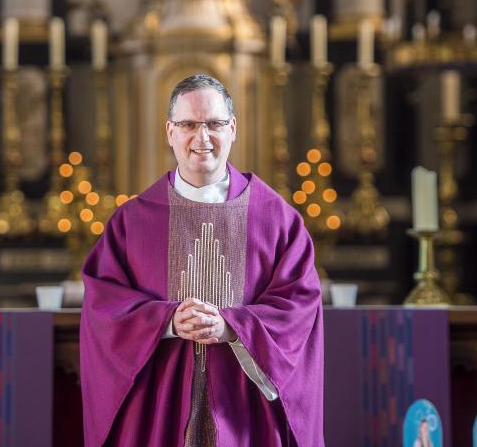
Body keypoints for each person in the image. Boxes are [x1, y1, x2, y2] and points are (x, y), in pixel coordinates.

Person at [80, 75, 324, 446]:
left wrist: (233, 326)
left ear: (233, 129)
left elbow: (299, 307)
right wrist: (166, 321)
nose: (202, 137)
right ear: (169, 132)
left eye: (214, 124)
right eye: (189, 125)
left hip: (246, 405)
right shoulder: (134, 220)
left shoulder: (276, 218)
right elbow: (103, 305)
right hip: (159, 399)